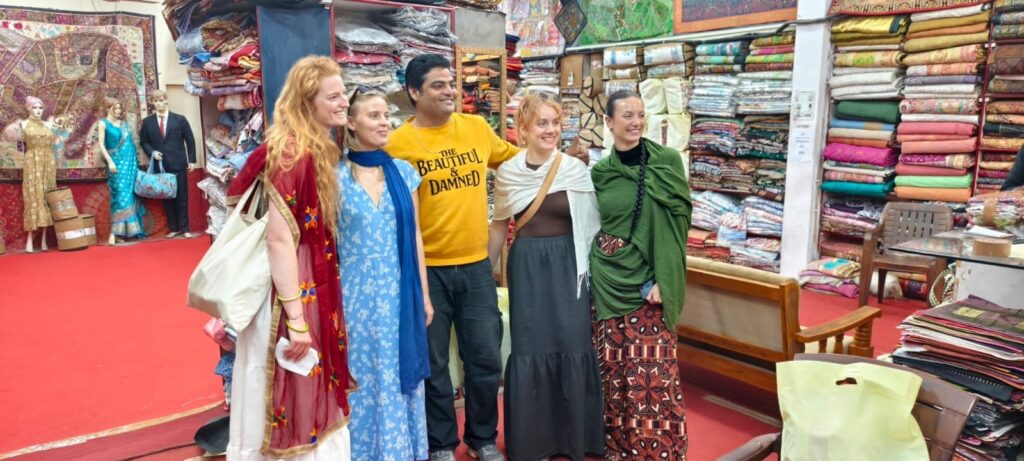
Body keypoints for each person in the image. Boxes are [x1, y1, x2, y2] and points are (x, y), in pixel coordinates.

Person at [385, 53, 518, 461]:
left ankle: (482, 438)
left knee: (485, 357)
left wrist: (562, 161)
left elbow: (516, 162)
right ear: (414, 92)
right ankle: (440, 443)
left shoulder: (476, 129)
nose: (450, 92)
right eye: (438, 85)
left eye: (451, 83)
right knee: (434, 363)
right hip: (427, 272)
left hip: (476, 267)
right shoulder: (397, 144)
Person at [225, 55, 353, 460]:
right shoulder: (292, 153)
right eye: (334, 96)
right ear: (306, 102)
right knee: (293, 384)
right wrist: (297, 320)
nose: (345, 102)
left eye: (344, 93)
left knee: (304, 386)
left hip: (304, 285)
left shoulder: (313, 148)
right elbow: (280, 241)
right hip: (290, 294)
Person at [488, 93, 604, 460]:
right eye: (542, 123)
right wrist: (485, 273)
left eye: (555, 123)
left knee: (572, 342)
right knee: (530, 346)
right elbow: (499, 226)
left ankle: (573, 439)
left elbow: (592, 226)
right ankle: (532, 442)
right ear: (523, 129)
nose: (550, 130)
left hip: (570, 266)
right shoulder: (508, 173)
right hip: (527, 267)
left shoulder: (575, 170)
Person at [589, 90, 691, 461]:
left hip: (649, 282)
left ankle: (659, 450)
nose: (636, 122)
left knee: (654, 374)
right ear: (609, 122)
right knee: (614, 371)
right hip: (607, 278)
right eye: (627, 115)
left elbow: (679, 225)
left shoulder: (667, 161)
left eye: (640, 115)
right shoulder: (600, 173)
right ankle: (618, 448)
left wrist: (666, 277)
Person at [337, 88, 432, 459]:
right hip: (354, 297)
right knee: (361, 376)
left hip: (399, 293)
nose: (384, 123)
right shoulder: (334, 178)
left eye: (385, 116)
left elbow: (416, 236)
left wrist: (424, 296)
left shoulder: (405, 174)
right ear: (351, 122)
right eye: (373, 115)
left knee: (396, 374)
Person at [139, 89, 197, 238]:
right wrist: (152, 152)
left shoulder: (180, 120)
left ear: (166, 100)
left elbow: (190, 140)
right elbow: (144, 142)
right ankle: (174, 228)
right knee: (167, 196)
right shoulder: (147, 122)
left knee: (181, 197)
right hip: (161, 165)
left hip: (179, 163)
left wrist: (191, 160)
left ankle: (185, 229)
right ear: (152, 103)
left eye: (161, 100)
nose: (158, 103)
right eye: (155, 101)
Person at [97, 97, 146, 245]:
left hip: (129, 165)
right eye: (115, 108)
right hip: (115, 165)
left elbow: (131, 145)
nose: (118, 111)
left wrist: (134, 164)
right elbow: (101, 145)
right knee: (119, 196)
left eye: (119, 108)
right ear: (108, 109)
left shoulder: (124, 124)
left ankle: (121, 233)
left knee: (128, 196)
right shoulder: (103, 123)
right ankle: (114, 232)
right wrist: (110, 161)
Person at [19, 96, 57, 253]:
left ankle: (43, 239)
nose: (38, 110)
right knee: (33, 196)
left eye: (40, 107)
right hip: (32, 162)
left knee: (46, 196)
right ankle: (30, 237)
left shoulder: (48, 125)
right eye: (34, 107)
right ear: (28, 108)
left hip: (48, 163)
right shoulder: (23, 124)